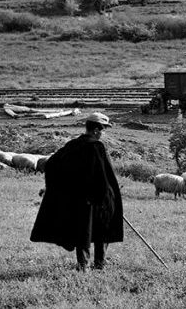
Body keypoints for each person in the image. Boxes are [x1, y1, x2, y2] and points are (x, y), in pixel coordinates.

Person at [30, 112, 123, 271]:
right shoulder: (96, 147)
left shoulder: (72, 145)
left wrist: (64, 188)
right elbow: (104, 174)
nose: (102, 133)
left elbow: (52, 164)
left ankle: (83, 266)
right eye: (102, 130)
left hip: (78, 199)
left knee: (83, 231)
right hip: (98, 197)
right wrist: (108, 196)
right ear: (95, 130)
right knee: (103, 228)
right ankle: (99, 264)